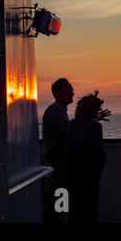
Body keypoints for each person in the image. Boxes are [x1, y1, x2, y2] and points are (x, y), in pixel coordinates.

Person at [65, 90, 108, 223]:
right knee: (90, 211)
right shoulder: (95, 126)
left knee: (73, 212)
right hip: (89, 176)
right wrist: (99, 169)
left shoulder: (71, 124)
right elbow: (97, 151)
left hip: (71, 175)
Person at [42, 78, 74, 223]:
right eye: (68, 91)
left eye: (71, 90)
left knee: (59, 202)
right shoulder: (56, 111)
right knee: (58, 203)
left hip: (58, 164)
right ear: (58, 93)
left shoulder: (58, 111)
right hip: (57, 165)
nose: (72, 93)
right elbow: (70, 131)